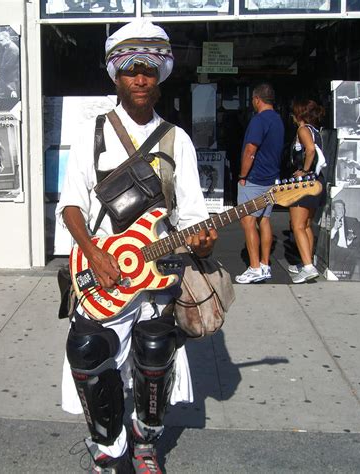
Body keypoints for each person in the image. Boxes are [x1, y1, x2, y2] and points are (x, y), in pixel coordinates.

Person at [55, 19, 217, 473]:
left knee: (155, 354)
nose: (141, 78)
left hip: (158, 273)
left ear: (161, 74)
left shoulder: (176, 140)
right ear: (116, 76)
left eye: (149, 68)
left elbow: (192, 216)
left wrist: (202, 245)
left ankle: (146, 442)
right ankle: (108, 447)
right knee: (87, 351)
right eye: (130, 69)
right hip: (104, 270)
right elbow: (71, 204)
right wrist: (92, 251)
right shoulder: (92, 132)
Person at [235, 83, 284, 284]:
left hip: (255, 178)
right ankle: (264, 264)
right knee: (264, 220)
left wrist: (242, 175)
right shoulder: (278, 120)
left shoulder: (259, 120)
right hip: (271, 177)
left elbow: (250, 150)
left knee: (247, 222)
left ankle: (255, 267)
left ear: (257, 99)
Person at [287, 99, 325, 283]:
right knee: (307, 224)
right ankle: (307, 261)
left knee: (297, 225)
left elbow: (309, 150)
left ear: (298, 114)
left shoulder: (303, 130)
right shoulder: (316, 131)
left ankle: (308, 266)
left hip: (305, 183)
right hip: (317, 182)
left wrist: (305, 170)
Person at [329, 199, 360, 279]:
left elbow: (357, 241)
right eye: (338, 207)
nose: (341, 209)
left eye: (343, 207)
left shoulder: (352, 221)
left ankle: (339, 277)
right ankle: (341, 277)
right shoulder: (329, 221)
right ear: (333, 210)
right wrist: (335, 228)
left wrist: (350, 240)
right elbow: (326, 240)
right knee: (342, 252)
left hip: (349, 249)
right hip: (335, 250)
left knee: (350, 252)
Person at [0, 30, 19, 98]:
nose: (0, 42)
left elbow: (9, 66)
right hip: (10, 79)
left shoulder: (12, 48)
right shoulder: (7, 47)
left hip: (13, 80)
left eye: (1, 40)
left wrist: (0, 71)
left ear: (7, 38)